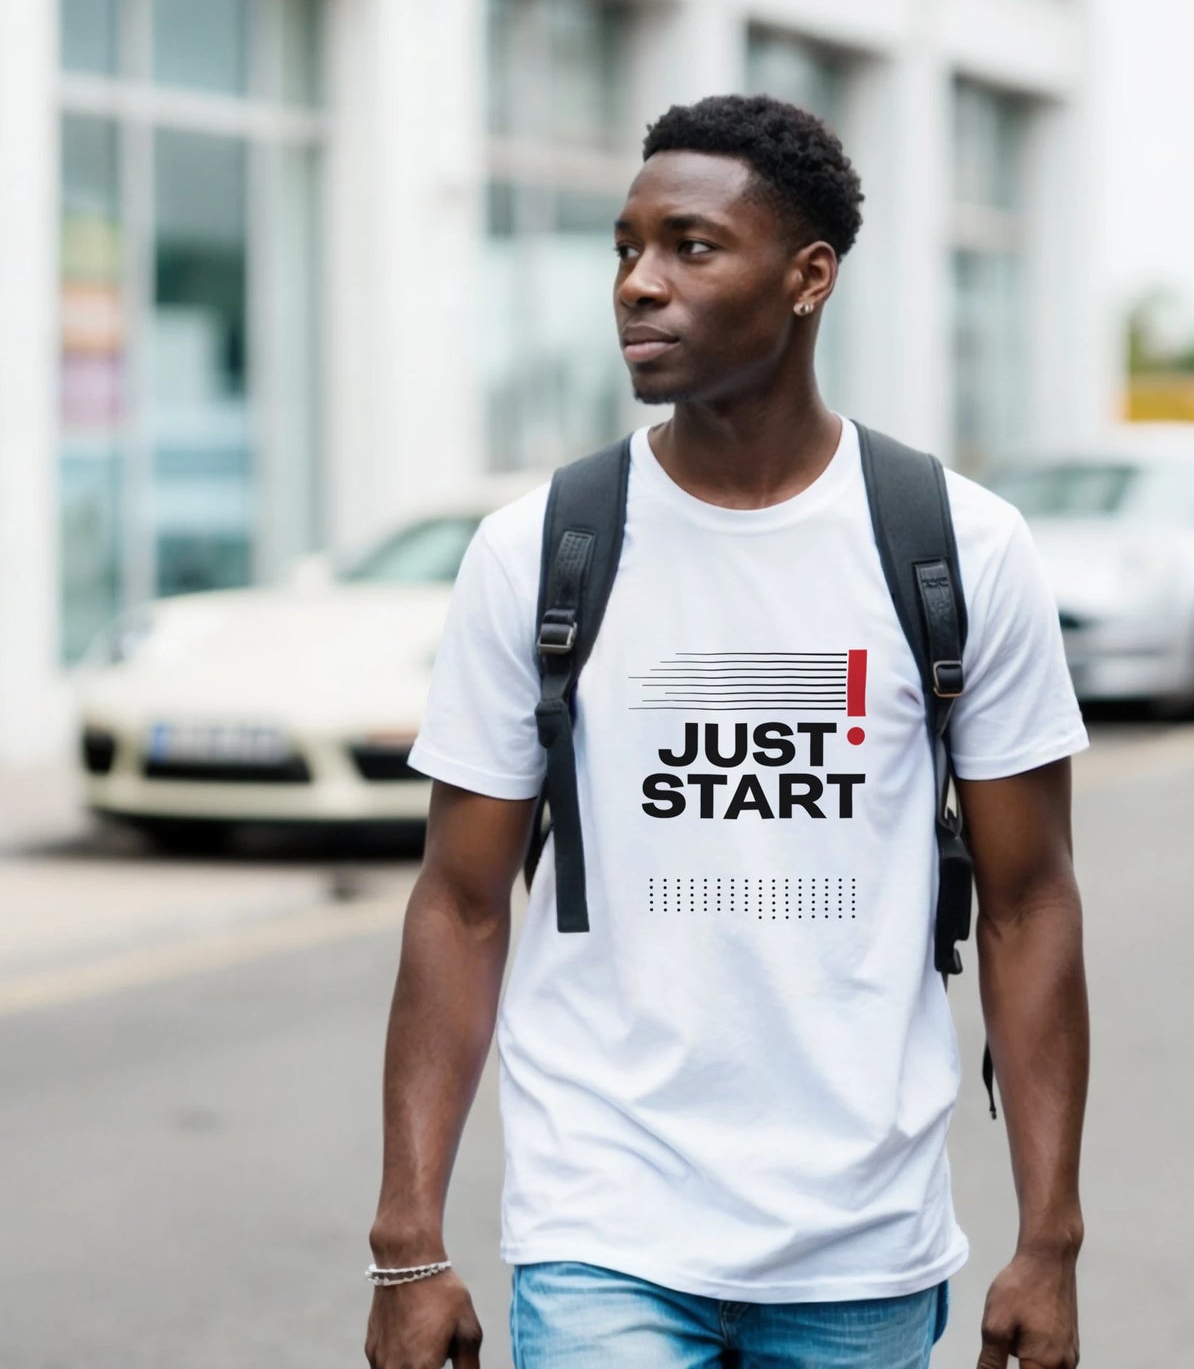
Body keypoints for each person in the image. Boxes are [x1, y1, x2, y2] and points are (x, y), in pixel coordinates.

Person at [365, 93, 1090, 1369]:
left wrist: (1048, 1240)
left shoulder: (958, 548)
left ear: (808, 277)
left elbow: (1029, 901)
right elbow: (462, 903)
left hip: (860, 1237)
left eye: (689, 246)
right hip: (604, 1220)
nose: (637, 285)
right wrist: (407, 1241)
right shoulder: (537, 548)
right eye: (623, 248)